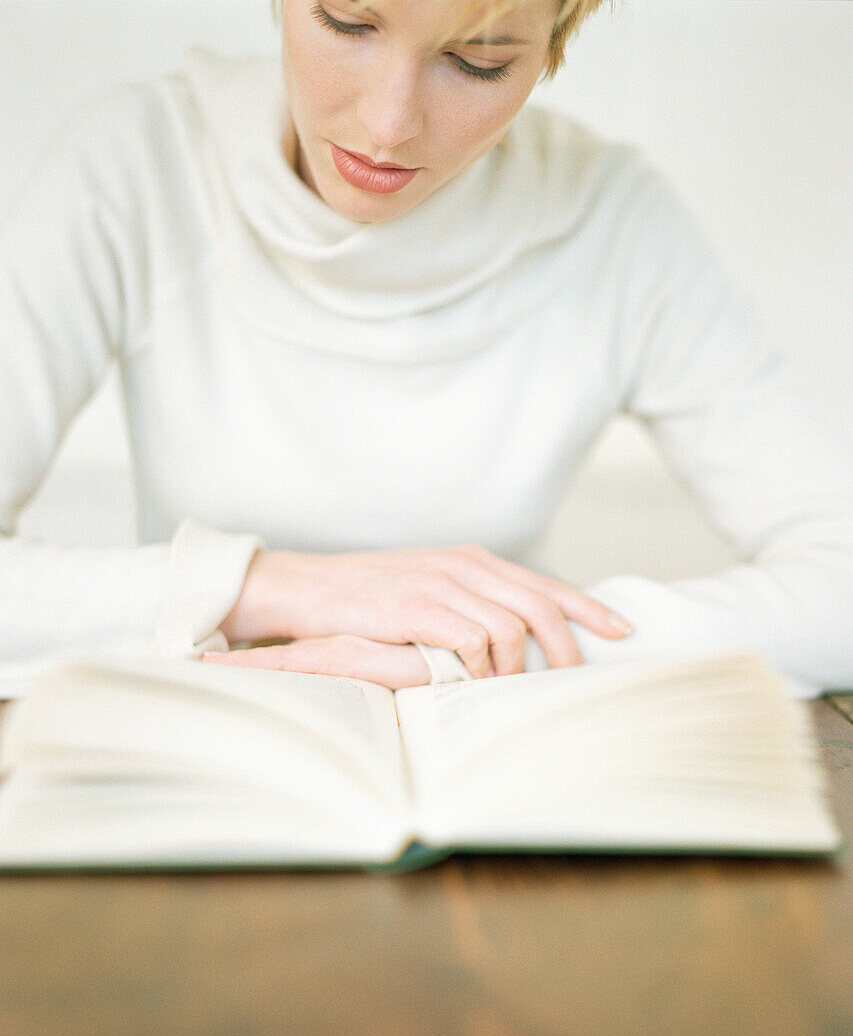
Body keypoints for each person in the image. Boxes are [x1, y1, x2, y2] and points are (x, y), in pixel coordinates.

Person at [0, 0, 850, 698]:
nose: (388, 125)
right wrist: (276, 587)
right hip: (205, 757)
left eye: (478, 63)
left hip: (493, 773)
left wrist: (468, 657)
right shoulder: (138, 165)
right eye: (344, 21)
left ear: (555, 45)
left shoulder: (611, 222)